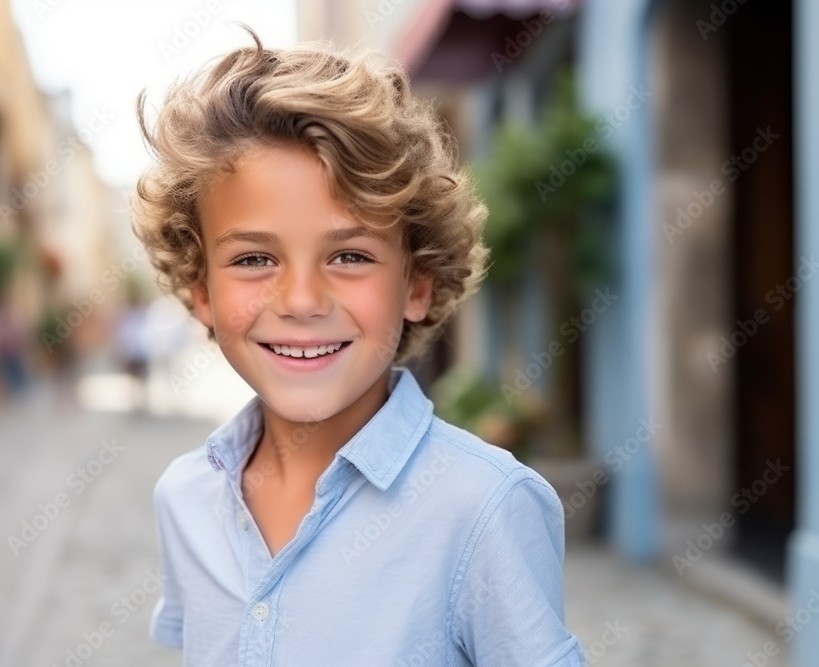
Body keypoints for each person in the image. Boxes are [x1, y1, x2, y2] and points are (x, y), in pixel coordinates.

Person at [131, 26, 586, 666]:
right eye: (255, 258)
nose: (300, 299)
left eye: (349, 255)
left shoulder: (482, 508)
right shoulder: (185, 498)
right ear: (201, 289)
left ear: (417, 285)